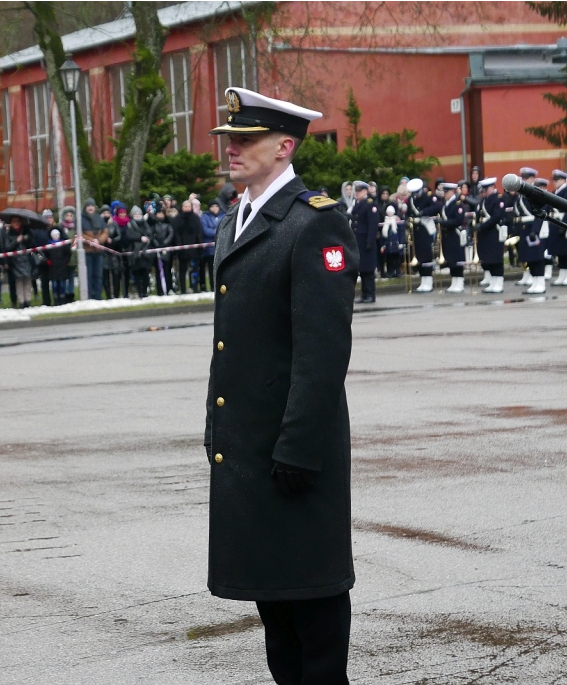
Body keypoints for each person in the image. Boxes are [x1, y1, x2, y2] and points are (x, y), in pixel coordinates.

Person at [206, 86, 357, 685]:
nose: (233, 149)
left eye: (246, 140)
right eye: (230, 139)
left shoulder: (313, 222)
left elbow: (322, 353)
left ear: (285, 146)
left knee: (312, 604)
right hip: (248, 446)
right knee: (275, 609)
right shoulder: (236, 217)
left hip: (293, 448)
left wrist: (296, 445)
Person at [474, 177, 507, 293]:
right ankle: (493, 282)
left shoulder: (499, 199)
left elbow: (496, 216)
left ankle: (499, 283)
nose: (484, 191)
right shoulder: (484, 200)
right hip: (486, 234)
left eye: (486, 189)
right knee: (489, 259)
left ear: (492, 187)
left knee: (496, 259)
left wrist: (482, 226)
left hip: (494, 233)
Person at [350, 180, 379, 303]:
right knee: (362, 269)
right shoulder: (357, 204)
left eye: (359, 191)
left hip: (367, 241)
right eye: (356, 191)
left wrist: (370, 241)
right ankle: (364, 293)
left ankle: (370, 294)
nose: (356, 193)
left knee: (368, 270)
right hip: (359, 241)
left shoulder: (369, 204)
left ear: (365, 191)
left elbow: (373, 225)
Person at [438, 183, 468, 293]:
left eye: (446, 192)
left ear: (452, 192)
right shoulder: (445, 204)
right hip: (448, 235)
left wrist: (444, 222)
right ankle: (454, 281)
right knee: (451, 260)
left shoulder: (458, 204)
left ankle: (459, 282)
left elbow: (458, 220)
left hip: (455, 234)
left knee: (457, 259)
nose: (444, 194)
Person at [3, 215, 35, 308]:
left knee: (28, 281)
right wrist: (16, 241)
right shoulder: (8, 233)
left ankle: (28, 301)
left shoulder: (26, 231)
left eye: (18, 221)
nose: (16, 223)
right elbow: (7, 247)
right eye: (14, 221)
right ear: (11, 223)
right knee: (19, 282)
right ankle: (21, 301)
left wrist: (25, 239)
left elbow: (32, 243)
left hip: (27, 260)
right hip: (15, 262)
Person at [172, 200, 204, 294]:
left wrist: (200, 244)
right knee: (182, 269)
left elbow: (199, 231)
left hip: (194, 248)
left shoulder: (195, 218)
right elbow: (176, 234)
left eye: (189, 206)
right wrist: (179, 246)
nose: (187, 208)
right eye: (185, 206)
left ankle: (195, 287)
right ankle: (182, 288)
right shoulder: (177, 219)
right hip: (182, 248)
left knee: (194, 269)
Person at [552, 171, 567, 286]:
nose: (554, 182)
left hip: (565, 224)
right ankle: (562, 274)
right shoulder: (553, 193)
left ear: (563, 180)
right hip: (555, 223)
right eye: (554, 180)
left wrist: (564, 225)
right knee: (559, 251)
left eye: (557, 180)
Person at [80, 198, 107, 299]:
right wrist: (92, 241)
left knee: (98, 275)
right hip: (87, 252)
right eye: (88, 206)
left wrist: (98, 241)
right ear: (85, 207)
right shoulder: (81, 219)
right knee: (88, 275)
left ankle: (98, 297)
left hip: (98, 251)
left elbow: (105, 231)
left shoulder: (99, 218)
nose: (90, 208)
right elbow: (79, 234)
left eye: (92, 206)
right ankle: (89, 297)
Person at [126, 205, 153, 298]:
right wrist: (140, 238)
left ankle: (145, 292)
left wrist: (148, 239)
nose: (137, 215)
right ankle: (140, 292)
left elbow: (150, 233)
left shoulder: (145, 224)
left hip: (145, 252)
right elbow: (129, 236)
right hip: (135, 252)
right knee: (137, 273)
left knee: (145, 273)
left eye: (139, 214)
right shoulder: (130, 225)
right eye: (135, 214)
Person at [149, 206, 174, 295]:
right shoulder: (153, 225)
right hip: (157, 249)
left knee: (167, 269)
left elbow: (171, 234)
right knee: (158, 270)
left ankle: (168, 288)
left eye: (161, 213)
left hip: (166, 249)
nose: (160, 215)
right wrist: (157, 244)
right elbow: (152, 236)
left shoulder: (168, 224)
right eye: (158, 213)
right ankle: (160, 290)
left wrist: (165, 243)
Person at [45, 227, 71, 305]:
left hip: (62, 267)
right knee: (55, 285)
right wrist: (47, 261)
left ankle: (62, 298)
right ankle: (56, 299)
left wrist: (65, 261)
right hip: (53, 268)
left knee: (62, 284)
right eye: (54, 235)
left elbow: (68, 254)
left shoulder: (63, 244)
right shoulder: (48, 245)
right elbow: (41, 255)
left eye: (57, 235)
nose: (56, 236)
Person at [200, 199, 222, 291]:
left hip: (221, 246)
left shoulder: (223, 215)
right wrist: (218, 232)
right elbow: (205, 230)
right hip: (209, 249)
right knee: (210, 268)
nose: (215, 208)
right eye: (212, 206)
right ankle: (212, 286)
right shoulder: (205, 217)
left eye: (216, 206)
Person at [59, 206, 78, 303]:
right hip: (64, 257)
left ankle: (70, 293)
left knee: (71, 276)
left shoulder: (75, 229)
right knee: (63, 277)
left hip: (73, 256)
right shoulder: (61, 228)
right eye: (67, 215)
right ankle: (63, 293)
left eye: (71, 215)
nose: (69, 217)